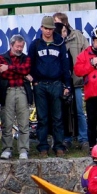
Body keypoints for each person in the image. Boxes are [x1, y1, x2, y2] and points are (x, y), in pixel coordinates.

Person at [28, 16, 71, 157]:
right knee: (42, 117)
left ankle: (58, 146)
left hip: (56, 83)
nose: (48, 31)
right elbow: (31, 64)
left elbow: (65, 65)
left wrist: (67, 85)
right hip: (40, 84)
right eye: (45, 28)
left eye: (50, 29)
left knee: (58, 117)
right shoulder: (35, 44)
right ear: (41, 28)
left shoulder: (60, 43)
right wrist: (34, 80)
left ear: (54, 29)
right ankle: (43, 147)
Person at [54, 12, 89, 151]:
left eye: (57, 22)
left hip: (77, 80)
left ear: (65, 23)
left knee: (79, 111)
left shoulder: (78, 36)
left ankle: (83, 139)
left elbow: (87, 54)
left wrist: (82, 72)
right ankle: (66, 139)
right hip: (61, 83)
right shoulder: (54, 39)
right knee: (63, 112)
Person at [0, 35, 33, 160]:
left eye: (21, 46)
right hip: (8, 91)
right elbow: (4, 73)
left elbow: (26, 69)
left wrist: (10, 67)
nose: (19, 49)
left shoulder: (26, 58)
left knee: (24, 122)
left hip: (22, 91)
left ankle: (23, 149)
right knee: (7, 122)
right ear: (11, 45)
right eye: (17, 46)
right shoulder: (2, 57)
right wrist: (22, 75)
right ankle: (6, 149)